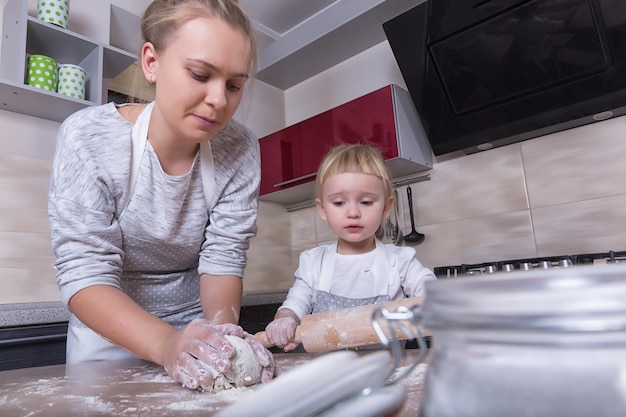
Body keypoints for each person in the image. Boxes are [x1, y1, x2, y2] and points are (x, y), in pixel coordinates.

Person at [48, 0, 275, 389]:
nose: (220, 101)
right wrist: (166, 344)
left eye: (234, 85)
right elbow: (85, 272)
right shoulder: (87, 137)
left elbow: (223, 256)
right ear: (152, 62)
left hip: (196, 330)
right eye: (200, 74)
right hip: (108, 336)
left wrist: (221, 344)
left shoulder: (240, 148)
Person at [264, 144, 437, 352]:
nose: (353, 212)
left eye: (365, 202)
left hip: (386, 373)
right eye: (339, 203)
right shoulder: (313, 262)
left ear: (386, 207)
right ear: (322, 209)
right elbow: (295, 304)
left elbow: (427, 288)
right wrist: (285, 319)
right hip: (329, 374)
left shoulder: (399, 261)